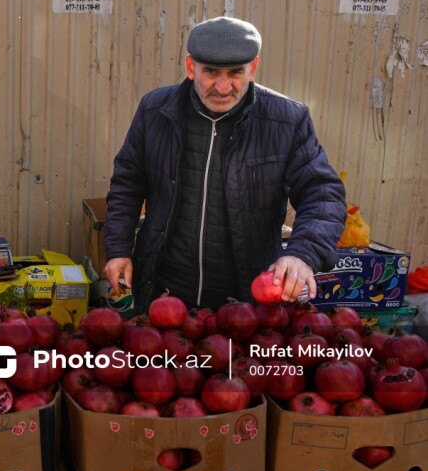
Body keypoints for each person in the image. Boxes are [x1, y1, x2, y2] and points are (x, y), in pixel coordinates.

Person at [103, 16, 347, 315]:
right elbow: (127, 183)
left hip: (247, 301)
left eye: (235, 73)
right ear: (191, 67)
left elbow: (322, 193)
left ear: (253, 69)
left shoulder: (286, 120)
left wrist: (301, 254)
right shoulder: (155, 110)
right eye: (210, 72)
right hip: (163, 293)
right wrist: (117, 250)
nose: (222, 87)